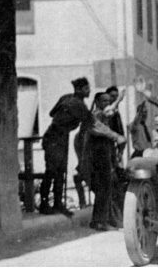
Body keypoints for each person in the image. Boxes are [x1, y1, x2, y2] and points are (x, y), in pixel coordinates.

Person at [39, 77, 103, 215]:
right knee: (52, 171)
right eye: (86, 88)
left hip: (58, 136)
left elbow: (52, 113)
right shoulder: (78, 105)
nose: (89, 90)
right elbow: (90, 122)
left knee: (60, 171)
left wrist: (66, 116)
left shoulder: (66, 98)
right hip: (55, 137)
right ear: (79, 90)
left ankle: (57, 203)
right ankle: (44, 204)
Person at [83, 92, 126, 231]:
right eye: (104, 101)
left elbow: (110, 111)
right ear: (97, 101)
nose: (107, 103)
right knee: (103, 188)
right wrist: (116, 136)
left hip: (105, 156)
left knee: (107, 188)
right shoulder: (95, 115)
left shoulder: (102, 114)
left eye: (109, 101)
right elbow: (99, 128)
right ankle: (99, 221)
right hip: (97, 157)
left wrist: (118, 101)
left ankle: (104, 219)